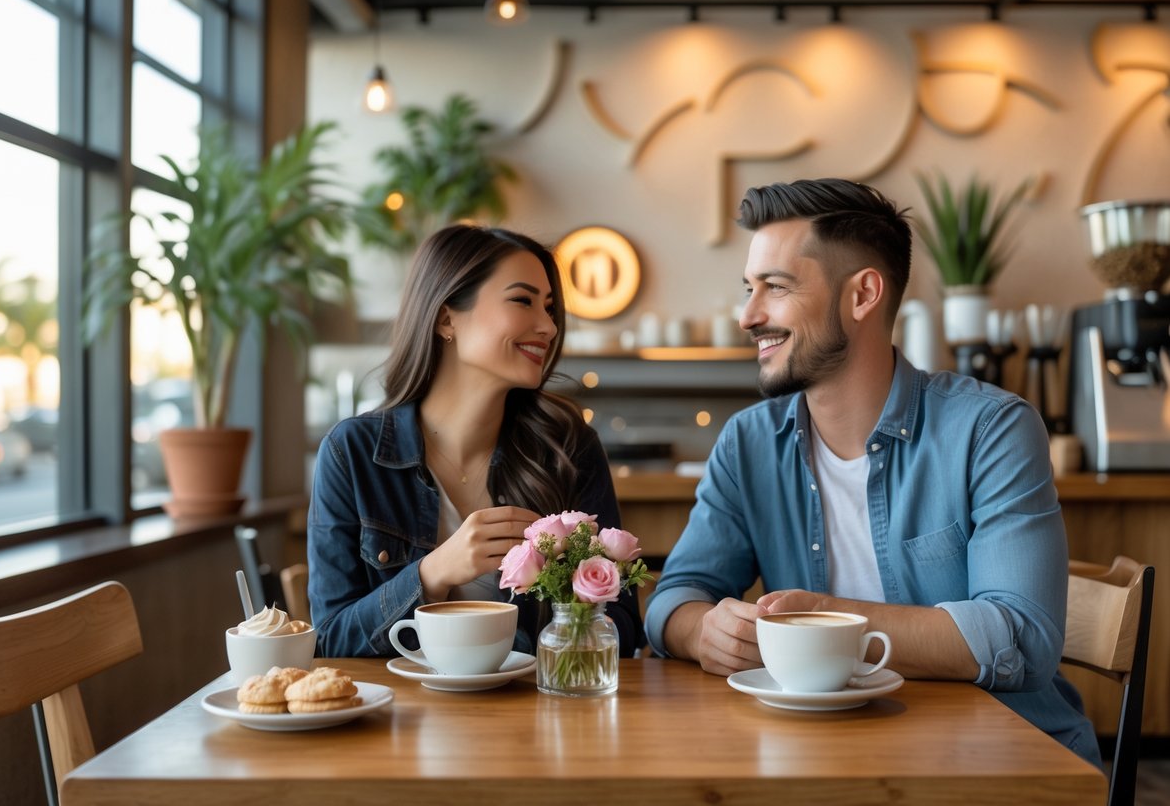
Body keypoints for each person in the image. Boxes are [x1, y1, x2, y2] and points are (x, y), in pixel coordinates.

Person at [644, 178, 1100, 767]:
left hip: (995, 763)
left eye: (776, 288)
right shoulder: (749, 442)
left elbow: (1020, 637)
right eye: (749, 289)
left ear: (862, 295)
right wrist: (702, 630)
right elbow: (673, 598)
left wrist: (825, 622)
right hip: (826, 756)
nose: (748, 316)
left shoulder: (992, 430)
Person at [309, 224, 642, 659]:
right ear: (447, 318)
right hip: (398, 721)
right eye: (522, 301)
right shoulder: (351, 453)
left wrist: (570, 610)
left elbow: (627, 628)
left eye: (549, 307)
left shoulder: (568, 449)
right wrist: (432, 572)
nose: (548, 326)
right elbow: (329, 640)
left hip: (532, 717)